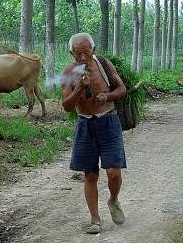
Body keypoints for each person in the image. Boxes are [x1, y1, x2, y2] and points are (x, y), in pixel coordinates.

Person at [61, 32, 127, 234]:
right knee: (90, 174)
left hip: (109, 121)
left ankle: (113, 200)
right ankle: (95, 219)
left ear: (94, 50)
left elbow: (122, 89)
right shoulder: (69, 72)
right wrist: (80, 87)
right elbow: (67, 106)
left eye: (86, 53)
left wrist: (107, 96)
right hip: (85, 125)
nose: (82, 58)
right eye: (77, 54)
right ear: (71, 53)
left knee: (114, 172)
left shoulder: (104, 65)